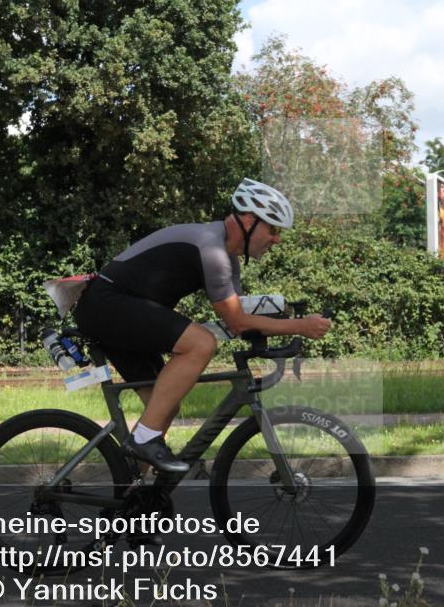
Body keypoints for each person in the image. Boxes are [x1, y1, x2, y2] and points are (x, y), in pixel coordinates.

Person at [73, 178, 332, 473]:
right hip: (108, 304)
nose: (277, 239)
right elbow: (235, 321)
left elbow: (238, 321)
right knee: (201, 342)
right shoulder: (213, 250)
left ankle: (133, 492)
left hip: (119, 308)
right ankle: (145, 440)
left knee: (164, 404)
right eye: (273, 229)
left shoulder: (227, 258)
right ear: (248, 221)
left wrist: (280, 327)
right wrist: (300, 326)